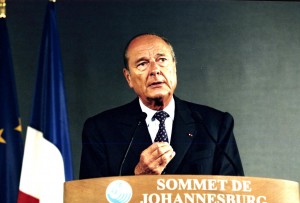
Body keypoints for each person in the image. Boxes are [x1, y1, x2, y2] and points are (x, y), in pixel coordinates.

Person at [79, 33, 244, 179]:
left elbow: (234, 196)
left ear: (174, 67)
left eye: (162, 60)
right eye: (142, 64)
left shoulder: (215, 125)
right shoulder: (101, 129)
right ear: (128, 77)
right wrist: (137, 178)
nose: (155, 70)